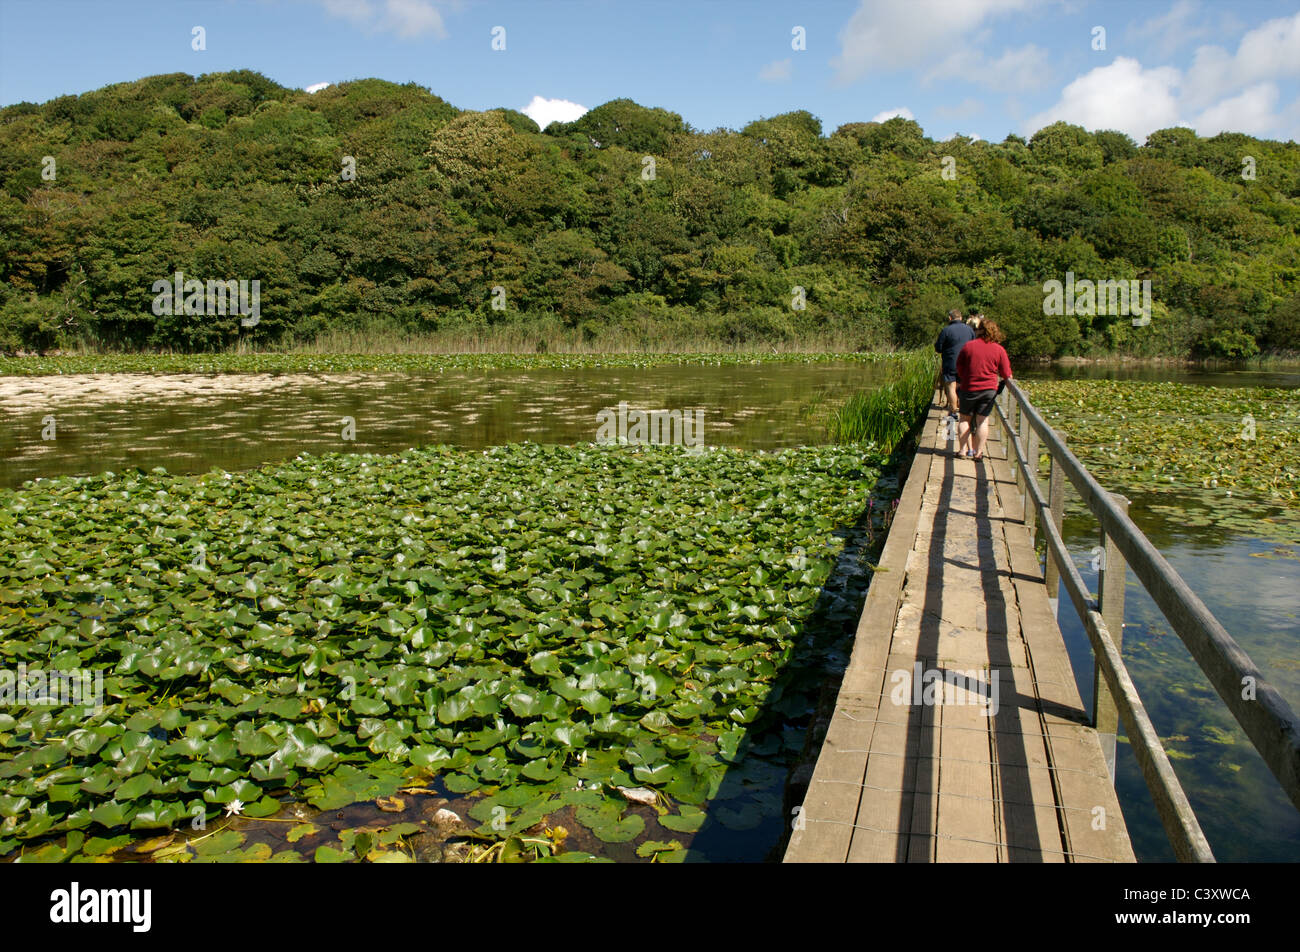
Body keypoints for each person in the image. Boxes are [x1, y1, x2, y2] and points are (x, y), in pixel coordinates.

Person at [955, 318, 1012, 461]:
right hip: (988, 390)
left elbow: (959, 366)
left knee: (964, 419)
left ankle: (962, 450)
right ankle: (978, 453)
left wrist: (964, 378)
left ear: (979, 330)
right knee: (982, 420)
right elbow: (1006, 373)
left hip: (969, 388)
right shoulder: (999, 350)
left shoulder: (968, 346)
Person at [933, 308, 975, 418]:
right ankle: (962, 409)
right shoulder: (969, 330)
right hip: (966, 364)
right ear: (961, 318)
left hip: (950, 363)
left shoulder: (946, 330)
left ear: (950, 318)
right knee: (962, 386)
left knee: (951, 387)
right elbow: (975, 346)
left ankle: (953, 411)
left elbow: (938, 348)